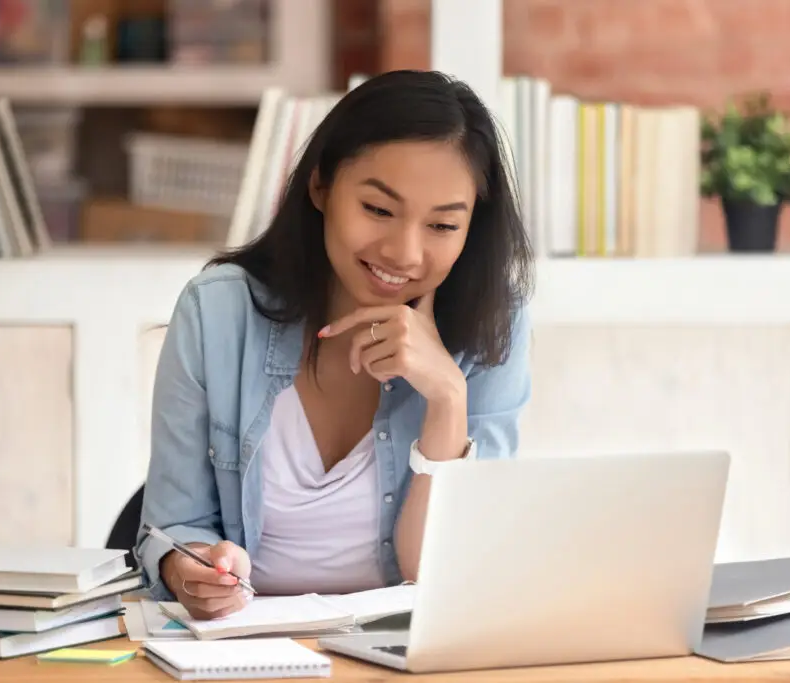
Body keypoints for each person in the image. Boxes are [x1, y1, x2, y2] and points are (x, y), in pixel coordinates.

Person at [134, 69, 535, 620]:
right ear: (320, 186)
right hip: (244, 654)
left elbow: (443, 576)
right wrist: (196, 570)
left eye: (442, 226)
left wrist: (447, 398)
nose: (405, 253)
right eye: (378, 210)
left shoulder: (494, 327)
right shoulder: (217, 312)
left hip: (399, 654)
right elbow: (172, 526)